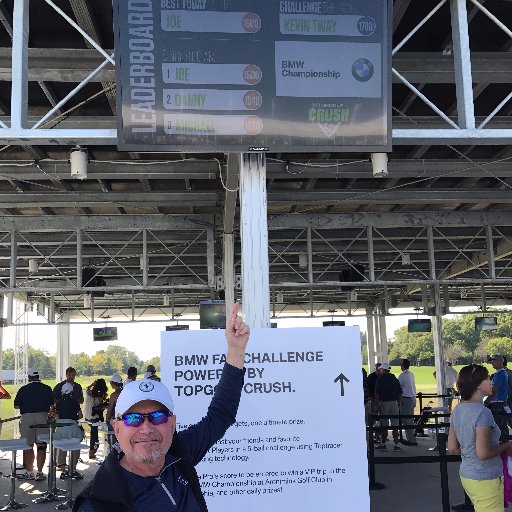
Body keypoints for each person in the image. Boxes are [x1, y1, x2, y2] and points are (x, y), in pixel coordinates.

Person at [73, 302, 250, 512]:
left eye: (157, 416)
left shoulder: (179, 451)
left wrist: (236, 350)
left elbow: (221, 415)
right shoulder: (99, 503)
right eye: (133, 418)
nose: (146, 428)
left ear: (173, 423)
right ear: (117, 428)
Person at [448, 364, 512, 512]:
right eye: (487, 378)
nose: (491, 381)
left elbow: (452, 448)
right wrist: (506, 446)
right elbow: (483, 454)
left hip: (468, 476)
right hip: (486, 478)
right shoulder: (483, 413)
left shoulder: (457, 409)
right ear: (476, 385)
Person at [13, 368, 54, 481]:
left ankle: (29, 472)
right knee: (41, 446)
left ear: (29, 377)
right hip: (42, 416)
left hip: (27, 418)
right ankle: (40, 472)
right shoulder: (47, 388)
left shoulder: (23, 389)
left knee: (28, 445)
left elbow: (16, 406)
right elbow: (52, 404)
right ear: (38, 376)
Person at [55, 382, 84, 480]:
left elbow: (56, 416)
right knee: (75, 447)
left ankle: (63, 470)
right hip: (72, 424)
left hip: (61, 426)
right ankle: (73, 470)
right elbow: (80, 416)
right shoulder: (75, 402)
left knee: (62, 448)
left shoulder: (58, 403)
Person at [375, 363, 403, 451]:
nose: (379, 370)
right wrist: (398, 403)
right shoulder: (395, 379)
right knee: (395, 425)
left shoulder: (380, 379)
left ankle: (383, 444)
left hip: (384, 403)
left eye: (380, 369)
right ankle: (396, 444)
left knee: (384, 425)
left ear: (383, 370)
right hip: (394, 403)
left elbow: (377, 394)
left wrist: (376, 405)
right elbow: (400, 392)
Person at [485, 355, 509, 442]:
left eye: (493, 361)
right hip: (497, 403)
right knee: (500, 426)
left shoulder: (500, 374)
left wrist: (487, 401)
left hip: (498, 403)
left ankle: (503, 450)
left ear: (500, 361)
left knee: (499, 427)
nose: (492, 363)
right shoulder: (498, 374)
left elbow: (494, 390)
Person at [84, 378, 109, 459]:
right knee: (94, 434)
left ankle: (92, 450)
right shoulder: (98, 396)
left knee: (94, 433)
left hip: (87, 416)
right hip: (93, 416)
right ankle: (92, 450)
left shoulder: (89, 393)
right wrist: (105, 405)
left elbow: (86, 389)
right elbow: (98, 407)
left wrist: (92, 384)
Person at [398, 358, 418, 446]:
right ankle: (411, 438)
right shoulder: (412, 374)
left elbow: (398, 387)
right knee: (410, 419)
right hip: (413, 397)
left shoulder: (402, 376)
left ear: (402, 366)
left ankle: (411, 439)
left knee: (405, 419)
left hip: (406, 398)